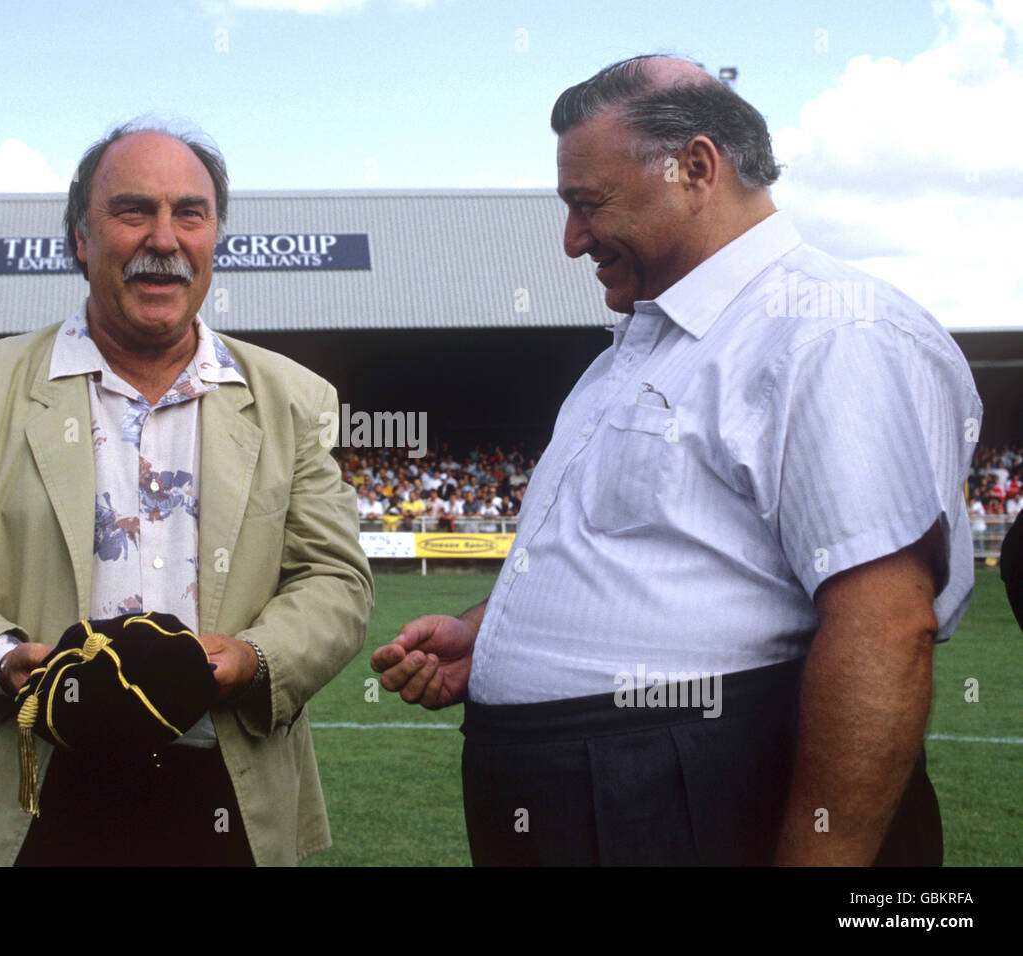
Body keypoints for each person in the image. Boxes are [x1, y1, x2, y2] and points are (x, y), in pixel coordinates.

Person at [373, 55, 980, 866]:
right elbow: (646, 558)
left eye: (588, 205)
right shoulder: (634, 351)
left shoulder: (833, 333)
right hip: (592, 799)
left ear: (695, 168)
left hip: (689, 800)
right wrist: (489, 636)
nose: (571, 240)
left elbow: (885, 626)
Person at [0, 118, 373, 866]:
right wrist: (10, 663)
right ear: (81, 237)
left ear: (214, 241)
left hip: (224, 790)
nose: (164, 238)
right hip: (26, 787)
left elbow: (334, 580)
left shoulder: (294, 399)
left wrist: (251, 658)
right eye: (133, 210)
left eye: (190, 214)